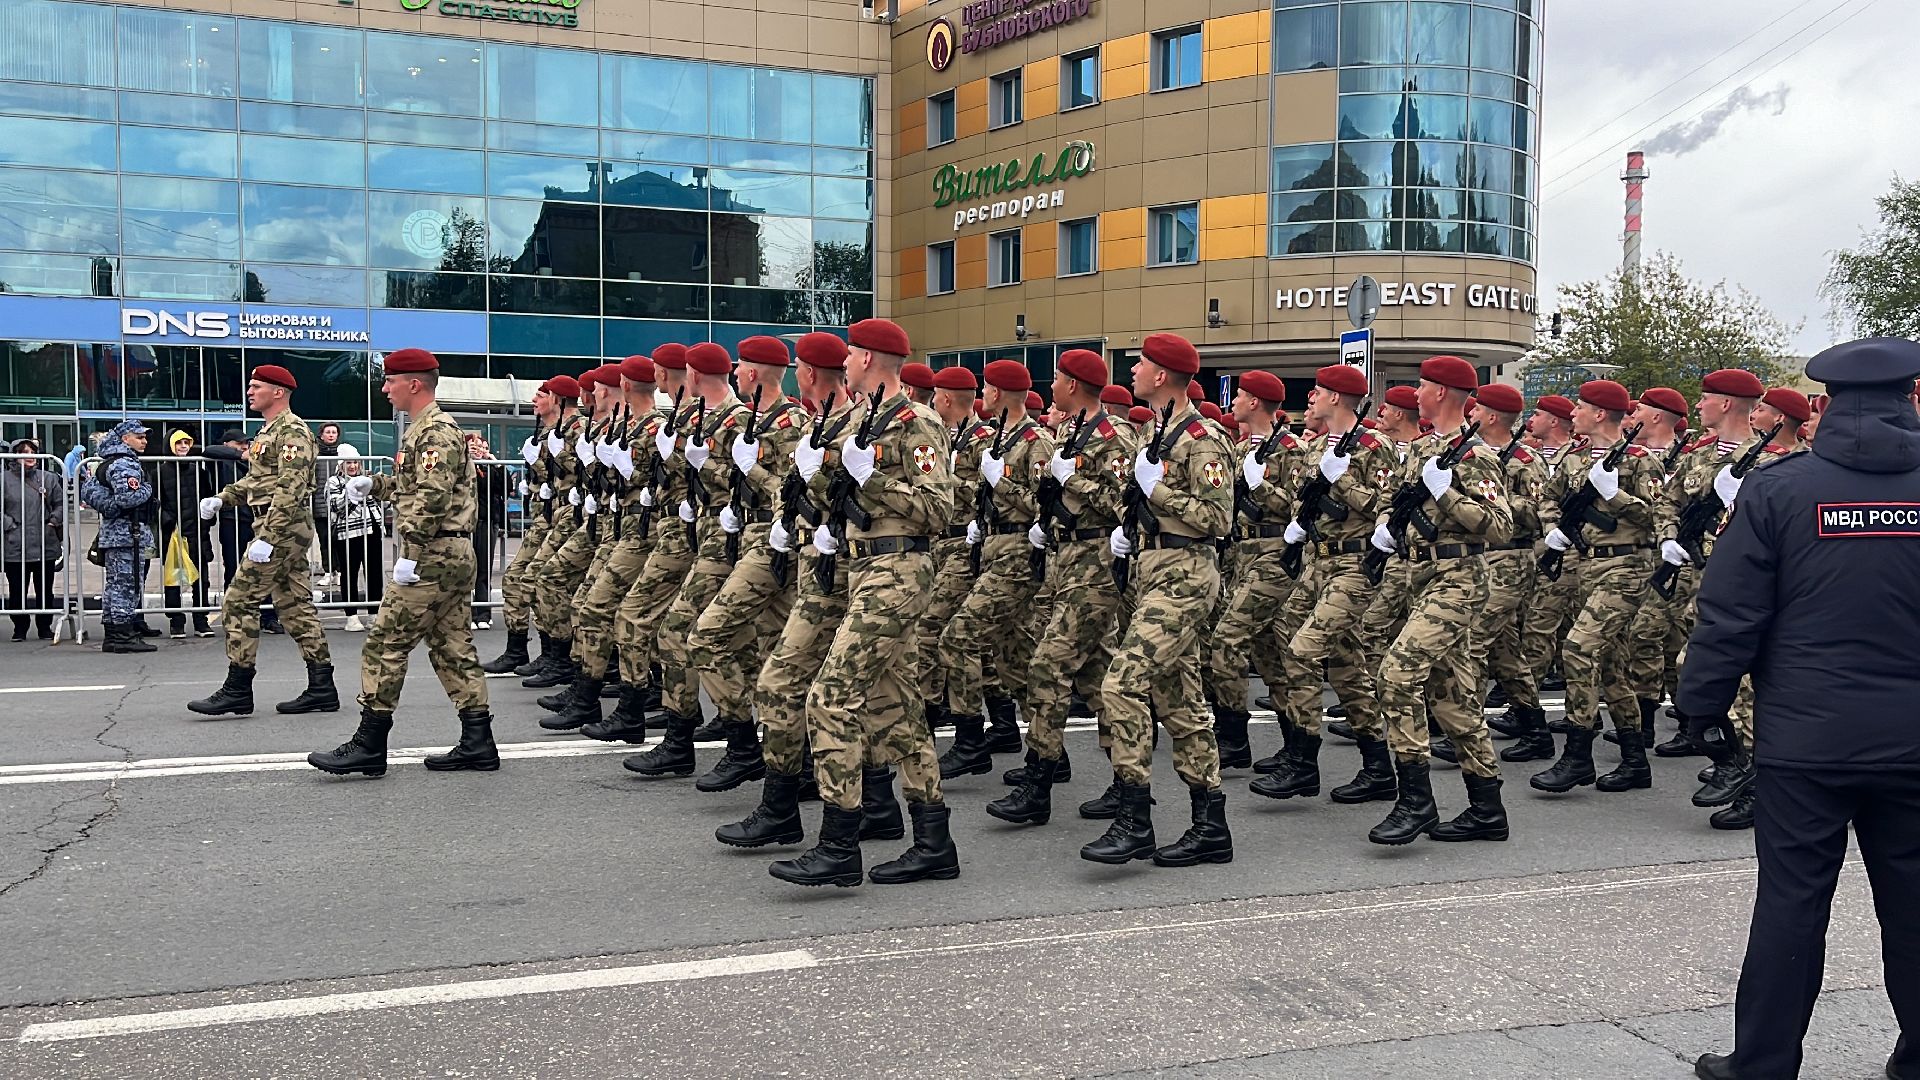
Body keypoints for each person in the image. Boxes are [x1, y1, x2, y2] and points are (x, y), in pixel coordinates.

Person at [1686, 338, 1920, 1080]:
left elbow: (1731, 613)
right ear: (1910, 397)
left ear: (1828, 404)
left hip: (1805, 740)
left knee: (1791, 906)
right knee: (1915, 907)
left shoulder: (1780, 489)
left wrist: (1701, 704)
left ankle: (1761, 1064)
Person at [771, 318, 958, 887]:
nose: (844, 360)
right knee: (893, 707)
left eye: (851, 352)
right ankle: (934, 841)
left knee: (830, 698)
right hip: (864, 565)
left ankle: (839, 841)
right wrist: (811, 473)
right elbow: (840, 480)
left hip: (899, 568)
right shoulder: (862, 417)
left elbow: (939, 510)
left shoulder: (916, 421)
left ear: (871, 358)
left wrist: (870, 479)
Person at [309, 348, 497, 777]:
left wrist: (410, 554)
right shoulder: (427, 430)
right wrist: (373, 483)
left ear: (414, 384)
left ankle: (370, 744)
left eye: (390, 380)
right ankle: (478, 741)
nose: (384, 388)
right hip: (448, 552)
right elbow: (418, 485)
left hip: (431, 555)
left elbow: (431, 499)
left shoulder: (433, 432)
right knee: (452, 647)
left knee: (384, 644)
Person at [1087, 333, 1236, 867]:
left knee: (1121, 685)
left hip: (1186, 575)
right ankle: (1209, 825)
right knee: (1182, 702)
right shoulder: (1163, 433)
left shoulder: (1202, 438)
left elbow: (1219, 519)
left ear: (1164, 375)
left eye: (1142, 363)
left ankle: (1134, 820)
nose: (1132, 369)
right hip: (1155, 570)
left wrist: (1158, 491)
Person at [187, 365, 337, 717]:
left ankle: (238, 688)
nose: (250, 391)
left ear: (278, 392)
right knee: (295, 606)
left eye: (257, 386)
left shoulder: (293, 431)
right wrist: (223, 497)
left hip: (282, 528)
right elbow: (258, 482)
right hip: (277, 525)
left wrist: (268, 538)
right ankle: (322, 687)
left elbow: (291, 487)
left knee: (238, 600)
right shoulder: (267, 431)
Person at [79, 419, 156, 654]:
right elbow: (128, 498)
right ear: (125, 439)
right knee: (127, 586)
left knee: (115, 585)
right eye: (139, 437)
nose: (144, 441)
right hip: (127, 534)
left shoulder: (109, 462)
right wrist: (148, 489)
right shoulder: (125, 465)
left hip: (117, 533)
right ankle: (123, 636)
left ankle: (114, 633)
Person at [155, 430, 215, 638]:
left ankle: (201, 620)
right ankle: (176, 621)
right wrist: (166, 520)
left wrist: (207, 519)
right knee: (174, 579)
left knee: (202, 578)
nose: (183, 446)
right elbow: (155, 501)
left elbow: (207, 496)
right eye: (178, 443)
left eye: (186, 442)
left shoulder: (198, 470)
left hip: (197, 530)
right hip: (174, 533)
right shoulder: (160, 471)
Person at [3, 438, 62, 641]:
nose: (30, 456)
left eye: (33, 451)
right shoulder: (3, 480)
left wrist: (53, 522)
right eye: (24, 452)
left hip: (44, 543)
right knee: (17, 590)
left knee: (45, 589)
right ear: (14, 456)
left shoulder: (49, 478)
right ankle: (19, 628)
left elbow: (60, 504)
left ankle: (44, 627)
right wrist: (9, 525)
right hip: (15, 545)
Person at [323, 446, 384, 632]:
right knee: (349, 574)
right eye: (349, 462)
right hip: (348, 533)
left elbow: (381, 502)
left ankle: (374, 614)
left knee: (374, 574)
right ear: (341, 464)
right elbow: (335, 507)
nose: (353, 466)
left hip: (372, 530)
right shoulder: (334, 482)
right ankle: (352, 616)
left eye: (355, 462)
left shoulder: (367, 478)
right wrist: (351, 492)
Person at [468, 432, 509, 630]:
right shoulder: (464, 467)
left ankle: (483, 613)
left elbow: (505, 488)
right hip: (467, 523)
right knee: (467, 570)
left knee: (483, 568)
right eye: (476, 447)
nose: (481, 451)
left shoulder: (491, 468)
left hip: (487, 521)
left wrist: (497, 464)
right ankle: (467, 612)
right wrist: (468, 460)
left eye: (484, 447)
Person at [313, 422, 342, 585]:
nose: (331, 435)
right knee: (325, 540)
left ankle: (341, 573)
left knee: (339, 541)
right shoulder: (315, 453)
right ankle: (328, 572)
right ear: (321, 435)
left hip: (340, 507)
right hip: (320, 505)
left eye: (334, 432)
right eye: (328, 432)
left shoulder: (342, 453)